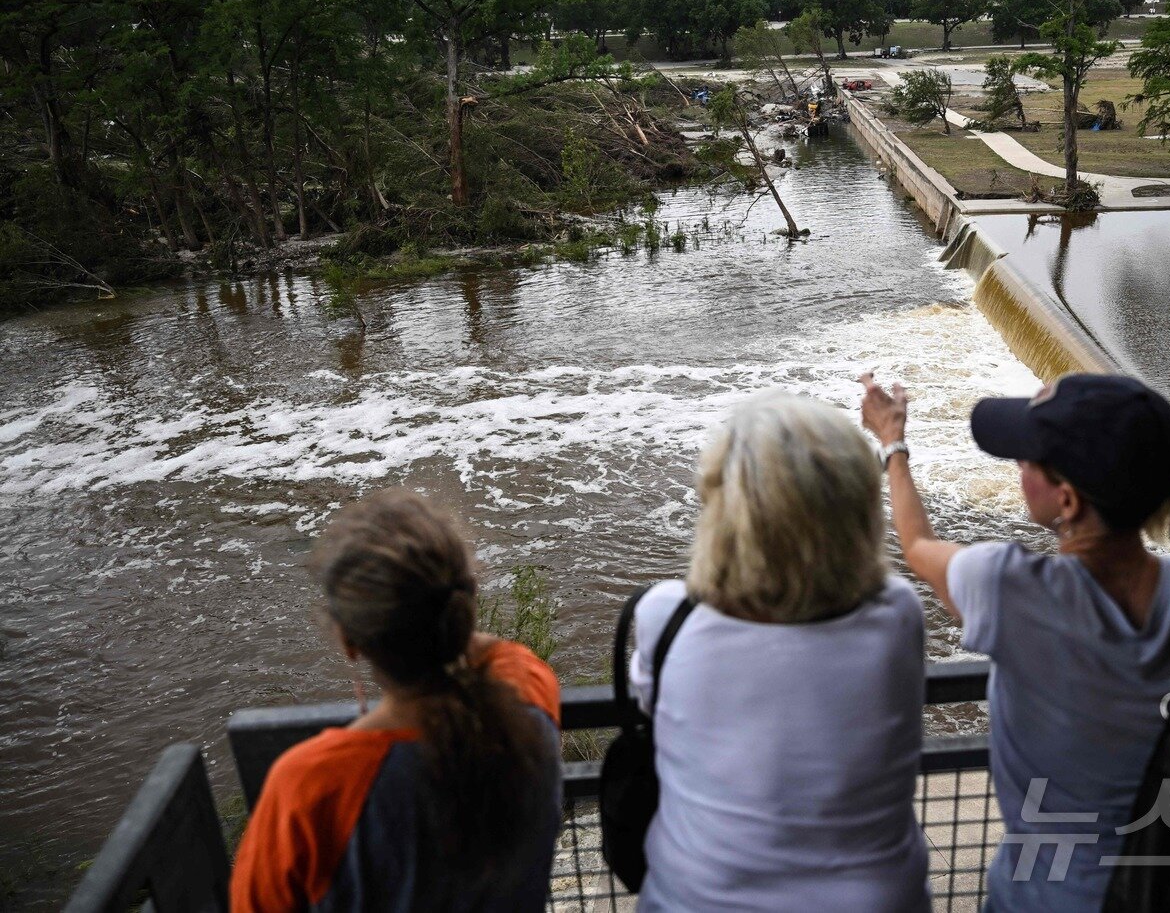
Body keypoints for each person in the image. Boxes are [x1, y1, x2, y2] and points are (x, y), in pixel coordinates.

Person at [860, 372, 1170, 912]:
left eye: (1027, 460)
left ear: (1067, 500)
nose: (1018, 468)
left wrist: (893, 441)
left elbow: (916, 544)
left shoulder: (1010, 588)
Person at [629, 391, 931, 912]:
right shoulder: (897, 614)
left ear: (725, 513)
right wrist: (891, 442)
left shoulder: (666, 617)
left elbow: (653, 709)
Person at [230, 489, 562, 912]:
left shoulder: (311, 788)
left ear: (348, 641)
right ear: (464, 603)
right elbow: (494, 653)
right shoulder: (529, 698)